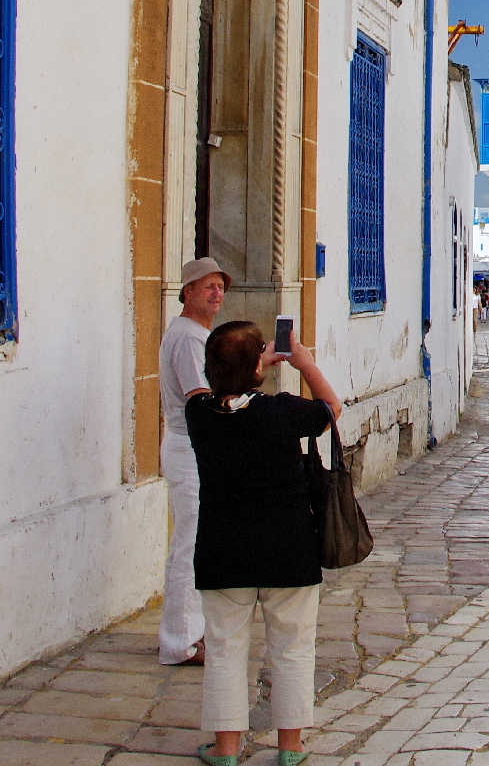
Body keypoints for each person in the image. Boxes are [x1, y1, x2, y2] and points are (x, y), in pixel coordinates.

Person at [186, 320, 341, 766]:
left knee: (224, 651)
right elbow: (330, 407)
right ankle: (289, 748)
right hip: (288, 550)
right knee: (292, 649)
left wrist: (248, 364)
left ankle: (226, 749)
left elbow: (209, 392)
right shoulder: (282, 411)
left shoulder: (198, 415)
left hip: (222, 551)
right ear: (258, 368)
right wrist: (303, 361)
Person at [157, 256, 229, 666]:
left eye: (220, 287)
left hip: (193, 448)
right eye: (207, 287)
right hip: (189, 449)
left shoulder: (197, 334)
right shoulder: (187, 338)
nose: (216, 293)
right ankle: (178, 642)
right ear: (187, 292)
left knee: (197, 541)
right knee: (189, 544)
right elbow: (199, 398)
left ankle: (192, 633)